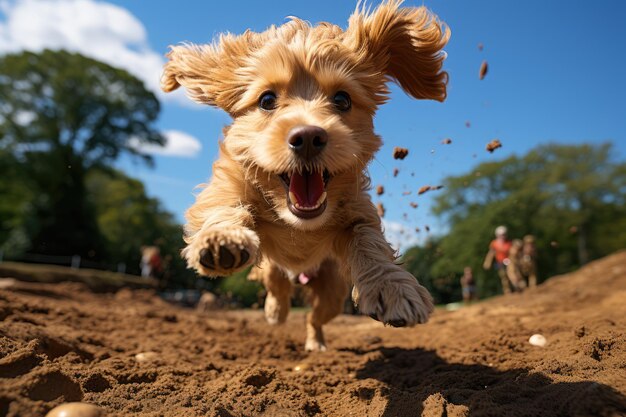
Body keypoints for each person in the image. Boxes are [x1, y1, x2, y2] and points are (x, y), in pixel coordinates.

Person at [483, 225, 513, 294]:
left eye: (504, 234)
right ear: (497, 235)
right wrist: (487, 262)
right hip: (500, 262)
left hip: (509, 261)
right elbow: (491, 254)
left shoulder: (509, 243)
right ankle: (507, 290)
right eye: (502, 234)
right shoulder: (494, 243)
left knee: (512, 273)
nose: (503, 236)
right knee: (503, 276)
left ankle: (517, 286)